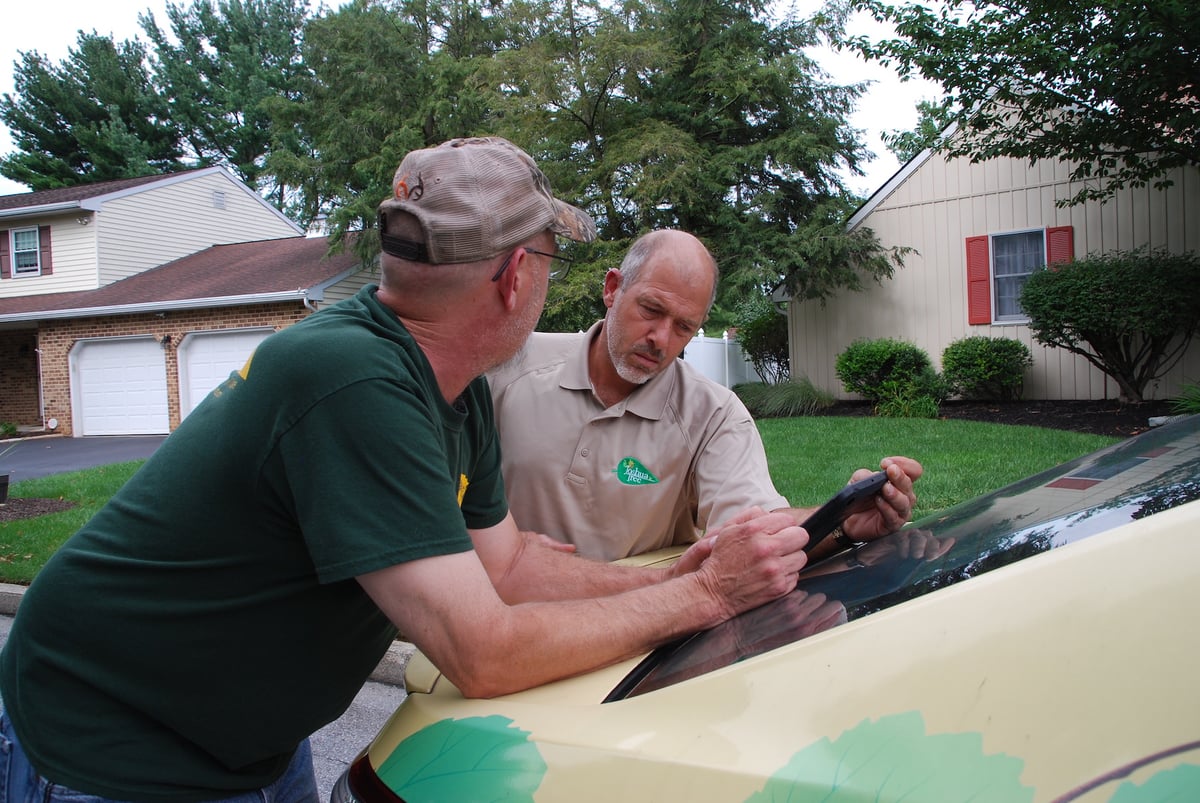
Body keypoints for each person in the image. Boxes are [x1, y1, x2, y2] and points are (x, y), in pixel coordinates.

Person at [0, 138, 814, 803]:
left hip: (245, 741)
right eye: (549, 252)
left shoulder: (455, 389)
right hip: (115, 742)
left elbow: (510, 565)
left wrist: (676, 574)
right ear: (512, 276)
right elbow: (484, 651)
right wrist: (706, 596)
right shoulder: (354, 381)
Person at [489, 229, 921, 562]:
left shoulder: (712, 415)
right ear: (612, 288)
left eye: (683, 327)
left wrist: (841, 520)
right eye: (651, 310)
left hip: (633, 629)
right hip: (507, 615)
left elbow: (753, 530)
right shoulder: (506, 366)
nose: (660, 339)